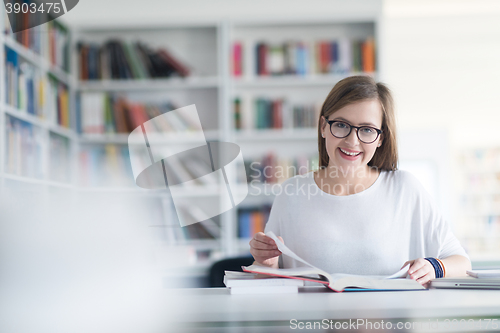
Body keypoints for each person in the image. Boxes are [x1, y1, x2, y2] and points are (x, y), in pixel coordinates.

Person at [249, 75, 471, 287]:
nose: (352, 141)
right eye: (342, 125)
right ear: (324, 126)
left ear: (380, 138)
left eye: (366, 129)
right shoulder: (292, 193)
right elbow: (268, 278)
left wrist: (435, 267)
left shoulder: (405, 189)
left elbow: (462, 263)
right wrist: (266, 263)